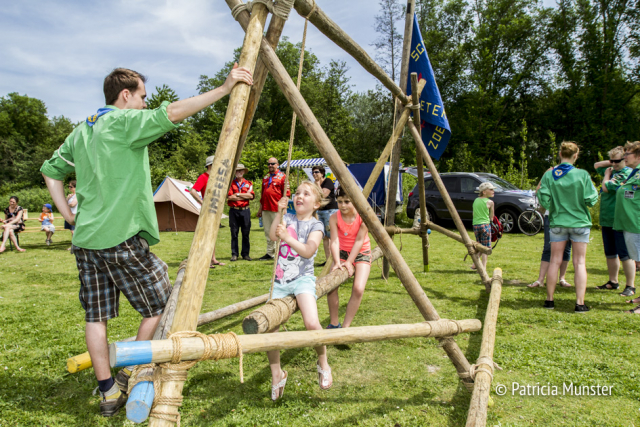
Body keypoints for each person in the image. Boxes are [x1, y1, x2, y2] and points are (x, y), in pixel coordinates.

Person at [40, 64, 252, 416]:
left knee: (96, 316)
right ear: (125, 95)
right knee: (161, 304)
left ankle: (107, 391)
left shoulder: (82, 130)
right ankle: (130, 369)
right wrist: (224, 88)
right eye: (141, 97)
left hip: (86, 239)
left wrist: (69, 217)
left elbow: (51, 171)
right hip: (119, 238)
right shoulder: (123, 123)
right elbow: (170, 113)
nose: (143, 103)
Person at [267, 181, 332, 401]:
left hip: (302, 280)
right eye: (297, 193)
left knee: (312, 323)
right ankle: (277, 374)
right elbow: (272, 236)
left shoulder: (316, 226)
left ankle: (323, 361)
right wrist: (278, 213)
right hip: (280, 280)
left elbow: (308, 250)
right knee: (270, 328)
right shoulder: (288, 218)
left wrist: (288, 237)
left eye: (306, 194)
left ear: (316, 204)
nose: (299, 196)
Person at [538, 142, 599, 313]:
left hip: (558, 221)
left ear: (560, 154)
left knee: (554, 260)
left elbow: (543, 197)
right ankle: (580, 303)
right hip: (579, 222)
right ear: (576, 155)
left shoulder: (550, 175)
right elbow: (591, 199)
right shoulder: (582, 174)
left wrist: (555, 206)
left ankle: (549, 300)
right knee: (579, 262)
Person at [326, 186, 371, 329]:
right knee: (331, 287)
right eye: (340, 202)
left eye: (347, 201)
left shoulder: (364, 217)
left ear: (355, 202)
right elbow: (334, 241)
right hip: (342, 253)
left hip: (361, 252)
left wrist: (350, 262)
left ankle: (345, 326)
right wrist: (338, 261)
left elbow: (359, 241)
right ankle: (334, 323)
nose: (343, 205)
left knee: (358, 288)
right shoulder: (334, 217)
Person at [594, 146, 634, 293]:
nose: (614, 164)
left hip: (619, 220)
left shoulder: (627, 173)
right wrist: (612, 162)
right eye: (612, 161)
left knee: (624, 254)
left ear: (625, 159)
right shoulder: (613, 170)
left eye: (618, 161)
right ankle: (613, 281)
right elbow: (596, 165)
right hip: (607, 219)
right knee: (610, 253)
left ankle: (630, 285)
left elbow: (607, 187)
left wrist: (606, 175)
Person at [607, 141, 640, 313]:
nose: (624, 156)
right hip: (629, 224)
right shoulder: (634, 173)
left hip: (637, 224)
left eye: (628, 154)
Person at [528, 171, 573, 288]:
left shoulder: (573, 174)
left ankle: (562, 278)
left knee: (567, 248)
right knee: (548, 247)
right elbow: (538, 191)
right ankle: (540, 280)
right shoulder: (551, 172)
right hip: (552, 216)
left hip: (568, 216)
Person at [190, 155, 226, 268]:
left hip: (215, 210)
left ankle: (213, 259)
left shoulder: (215, 177)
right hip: (207, 210)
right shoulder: (204, 177)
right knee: (206, 234)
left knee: (213, 234)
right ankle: (205, 260)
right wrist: (202, 203)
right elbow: (193, 191)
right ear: (211, 165)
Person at [257, 157, 290, 261]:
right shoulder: (266, 177)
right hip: (266, 207)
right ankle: (270, 252)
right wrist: (260, 209)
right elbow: (263, 194)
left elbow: (286, 194)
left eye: (273, 164)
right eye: (269, 164)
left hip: (277, 208)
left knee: (278, 230)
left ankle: (280, 252)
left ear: (277, 164)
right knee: (268, 231)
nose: (270, 165)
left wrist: (284, 207)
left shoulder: (283, 177)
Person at [227, 163, 254, 261]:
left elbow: (251, 196)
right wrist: (244, 195)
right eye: (237, 171)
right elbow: (230, 197)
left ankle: (245, 254)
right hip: (234, 211)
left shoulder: (249, 183)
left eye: (240, 171)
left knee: (245, 233)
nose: (239, 172)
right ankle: (234, 254)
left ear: (243, 172)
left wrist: (237, 194)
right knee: (234, 233)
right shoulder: (230, 183)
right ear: (234, 172)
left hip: (245, 210)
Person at [312, 166, 338, 266]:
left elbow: (323, 195)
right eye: (313, 172)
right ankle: (328, 261)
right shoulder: (314, 184)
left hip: (330, 211)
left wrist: (318, 185)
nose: (314, 174)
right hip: (320, 211)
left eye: (316, 172)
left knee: (331, 236)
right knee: (325, 237)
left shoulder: (328, 181)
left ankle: (334, 259)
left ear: (322, 173)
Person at [471, 182, 495, 271]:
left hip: (476, 225)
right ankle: (483, 267)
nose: (493, 191)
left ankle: (474, 264)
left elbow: (474, 213)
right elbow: (492, 216)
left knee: (480, 245)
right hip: (485, 225)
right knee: (486, 247)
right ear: (484, 192)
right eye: (491, 189)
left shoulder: (476, 200)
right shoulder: (490, 202)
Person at [65, 180, 78, 250]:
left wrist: (68, 204)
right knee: (72, 231)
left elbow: (73, 204)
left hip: (75, 215)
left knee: (74, 231)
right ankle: (74, 245)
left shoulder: (78, 195)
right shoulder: (71, 196)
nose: (69, 188)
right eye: (69, 187)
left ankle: (74, 246)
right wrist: (68, 198)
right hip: (70, 214)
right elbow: (64, 205)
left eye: (71, 187)